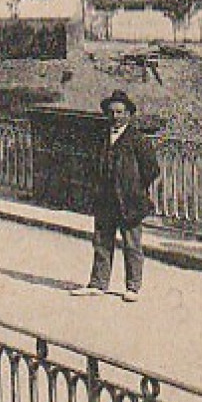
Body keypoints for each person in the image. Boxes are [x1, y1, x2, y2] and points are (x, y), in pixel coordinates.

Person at [70, 90, 161, 302]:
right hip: (105, 198)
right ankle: (98, 283)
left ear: (128, 114)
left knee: (132, 244)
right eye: (111, 112)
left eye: (120, 112)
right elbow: (92, 164)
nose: (115, 117)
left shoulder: (137, 139)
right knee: (101, 241)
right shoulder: (101, 137)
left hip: (129, 200)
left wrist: (135, 188)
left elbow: (151, 169)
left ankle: (133, 287)